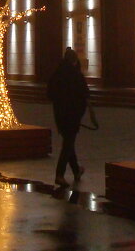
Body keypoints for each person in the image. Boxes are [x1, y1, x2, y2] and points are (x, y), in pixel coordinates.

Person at [47, 47, 89, 187]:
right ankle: (59, 174)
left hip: (59, 114)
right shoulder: (76, 75)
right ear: (74, 60)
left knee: (68, 142)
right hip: (72, 115)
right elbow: (85, 95)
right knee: (68, 144)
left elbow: (49, 94)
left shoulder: (57, 73)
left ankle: (77, 171)